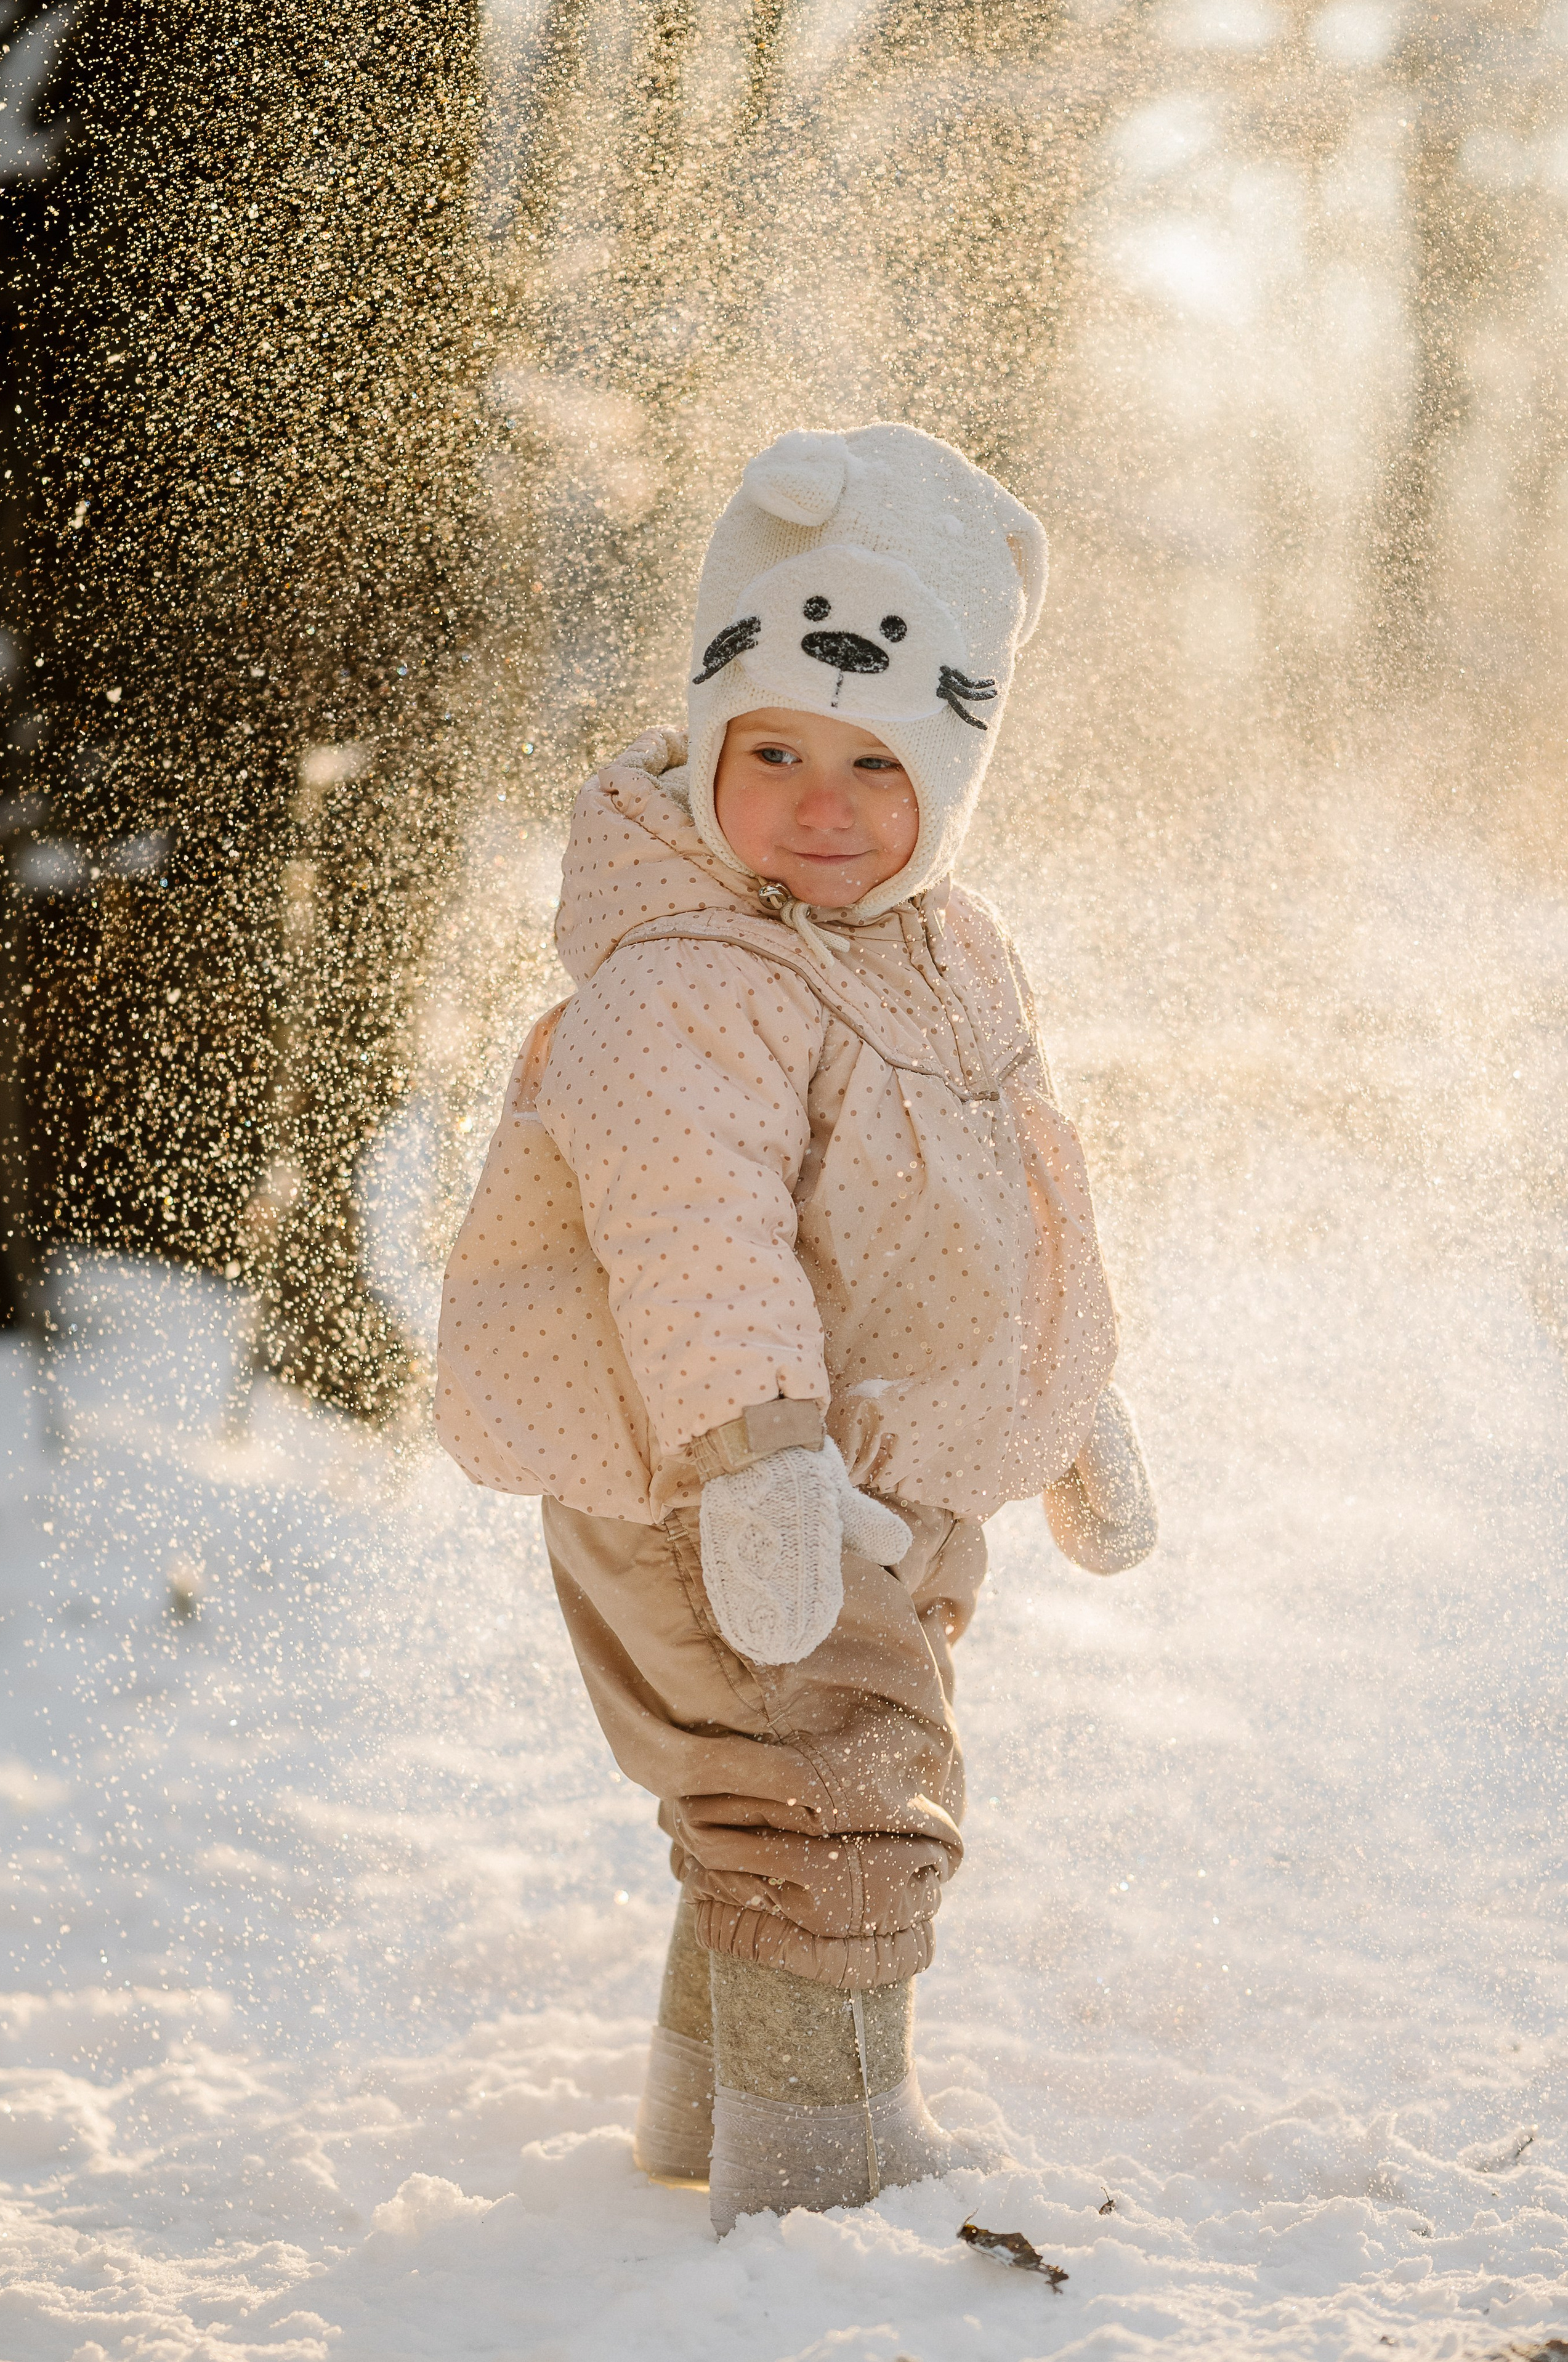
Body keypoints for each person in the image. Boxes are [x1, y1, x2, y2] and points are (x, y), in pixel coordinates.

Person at [437, 423, 1158, 2235]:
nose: (822, 800)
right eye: (774, 751)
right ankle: (825, 2178)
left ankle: (711, 2110)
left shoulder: (946, 947)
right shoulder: (690, 974)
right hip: (715, 1483)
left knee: (774, 1788)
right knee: (840, 1783)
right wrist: (759, 1456)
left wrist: (1075, 1400)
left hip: (854, 1489)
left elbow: (1017, 1188)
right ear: (705, 737)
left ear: (955, 776)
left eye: (877, 762)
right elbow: (694, 1231)